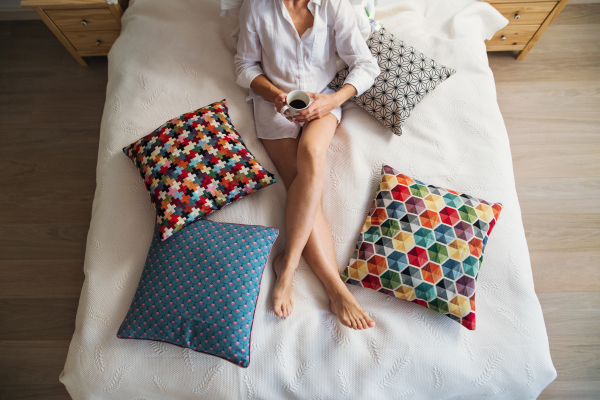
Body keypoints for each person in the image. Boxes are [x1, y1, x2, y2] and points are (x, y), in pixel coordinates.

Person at [234, 0, 380, 330]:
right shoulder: (257, 8)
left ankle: (288, 264)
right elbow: (244, 66)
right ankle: (334, 286)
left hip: (324, 101)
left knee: (312, 155)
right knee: (300, 182)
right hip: (274, 106)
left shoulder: (334, 6)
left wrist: (333, 100)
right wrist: (274, 94)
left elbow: (366, 65)